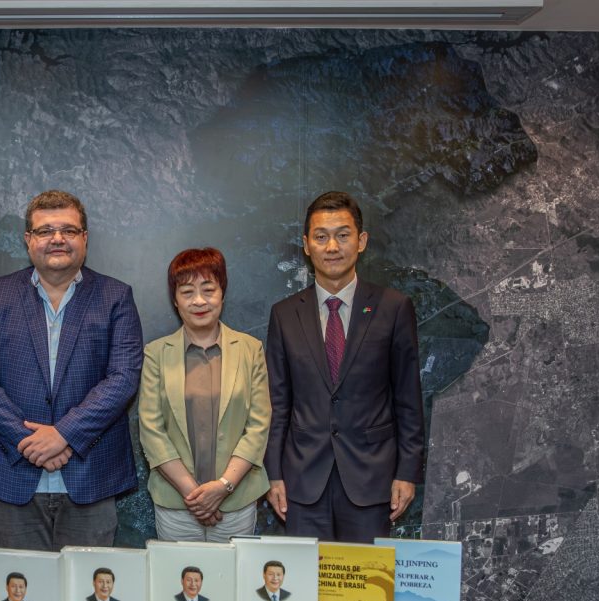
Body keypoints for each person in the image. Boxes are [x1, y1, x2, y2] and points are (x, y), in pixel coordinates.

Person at [0, 189, 143, 551]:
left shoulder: (115, 296)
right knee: (22, 587)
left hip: (91, 476)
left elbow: (123, 378)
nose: (57, 238)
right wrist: (29, 442)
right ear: (28, 239)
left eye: (69, 230)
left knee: (89, 587)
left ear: (84, 238)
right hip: (14, 474)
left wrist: (64, 434)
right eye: (45, 230)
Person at [264, 191, 424, 542]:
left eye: (343, 235)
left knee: (365, 579)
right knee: (305, 577)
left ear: (361, 241)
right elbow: (278, 403)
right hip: (302, 483)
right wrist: (273, 474)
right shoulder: (284, 314)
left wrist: (407, 472)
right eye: (321, 237)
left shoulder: (394, 308)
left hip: (372, 480)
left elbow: (408, 399)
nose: (332, 246)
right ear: (306, 245)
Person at [139, 247, 270, 541]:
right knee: (177, 573)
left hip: (236, 502)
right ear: (175, 299)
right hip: (177, 504)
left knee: (234, 572)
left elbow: (258, 426)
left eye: (208, 290)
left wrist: (223, 487)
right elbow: (151, 430)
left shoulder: (250, 350)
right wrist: (195, 496)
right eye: (187, 292)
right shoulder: (156, 353)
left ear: (222, 293)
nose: (199, 301)